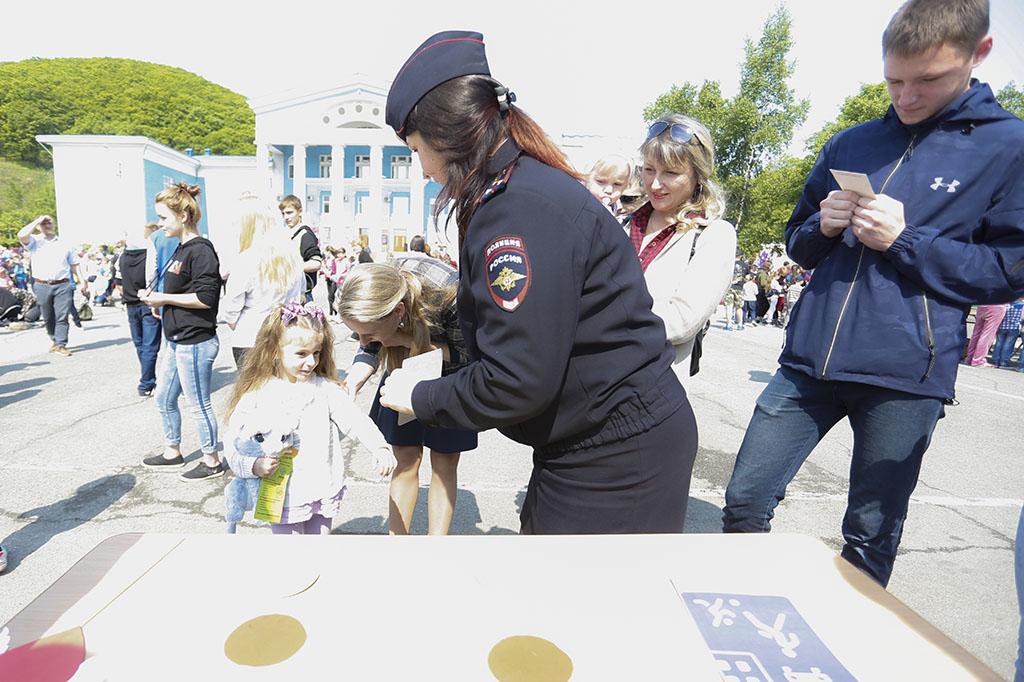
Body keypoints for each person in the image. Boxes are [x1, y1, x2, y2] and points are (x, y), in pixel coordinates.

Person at [722, 0, 1024, 587]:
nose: (905, 97)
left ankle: (853, 634)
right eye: (893, 80)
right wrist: (822, 225)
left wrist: (905, 241)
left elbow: (1009, 271)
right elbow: (797, 241)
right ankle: (746, 610)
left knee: (871, 531)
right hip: (809, 363)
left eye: (926, 80)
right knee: (745, 501)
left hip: (906, 375)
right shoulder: (853, 142)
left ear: (979, 53)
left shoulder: (1009, 147)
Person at [376, 30, 697, 534]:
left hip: (615, 452)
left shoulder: (518, 209)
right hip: (591, 436)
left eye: (417, 149)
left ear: (448, 134)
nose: (421, 171)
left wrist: (421, 396)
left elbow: (517, 378)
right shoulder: (517, 189)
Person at [222, 303, 396, 534]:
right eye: (301, 354)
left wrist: (379, 447)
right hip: (282, 494)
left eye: (316, 353)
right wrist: (251, 465)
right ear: (274, 351)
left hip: (322, 488)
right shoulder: (258, 394)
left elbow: (355, 420)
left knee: (318, 549)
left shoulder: (325, 389)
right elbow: (233, 439)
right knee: (290, 553)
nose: (312, 362)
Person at [338, 259, 476, 535]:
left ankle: (436, 544)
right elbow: (368, 347)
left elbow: (469, 355)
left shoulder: (450, 296)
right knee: (405, 457)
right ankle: (397, 543)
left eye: (368, 333)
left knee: (445, 460)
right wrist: (351, 384)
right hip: (403, 370)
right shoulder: (375, 291)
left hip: (449, 378)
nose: (362, 340)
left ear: (398, 311)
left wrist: (406, 340)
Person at [631, 115, 736, 381]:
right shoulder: (623, 222)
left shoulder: (713, 235)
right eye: (649, 169)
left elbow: (681, 321)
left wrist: (602, 317)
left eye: (670, 173)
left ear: (698, 176)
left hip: (651, 387)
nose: (655, 184)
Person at [139, 183, 227, 481]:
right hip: (177, 339)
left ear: (183, 216)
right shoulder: (181, 247)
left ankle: (212, 461)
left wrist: (162, 298)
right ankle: (172, 452)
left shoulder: (201, 250)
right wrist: (158, 300)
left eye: (164, 217)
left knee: (198, 404)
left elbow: (206, 298)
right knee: (164, 398)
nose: (160, 223)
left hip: (196, 341)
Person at [222, 197, 305, 368]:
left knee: (253, 385)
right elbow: (300, 296)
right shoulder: (293, 258)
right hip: (286, 337)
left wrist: (243, 326)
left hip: (249, 338)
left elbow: (230, 310)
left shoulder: (245, 260)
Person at [17, 215, 85, 356]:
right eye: (44, 223)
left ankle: (61, 343)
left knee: (62, 315)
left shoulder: (65, 243)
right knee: (48, 316)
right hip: (42, 284)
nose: (47, 225)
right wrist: (38, 220)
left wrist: (82, 280)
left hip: (63, 284)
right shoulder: (35, 241)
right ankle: (54, 339)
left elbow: (74, 264)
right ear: (38, 226)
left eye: (49, 222)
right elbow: (21, 235)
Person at [119, 223, 162, 397]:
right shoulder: (149, 256)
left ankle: (147, 378)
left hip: (130, 304)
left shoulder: (123, 257)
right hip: (147, 302)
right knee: (150, 345)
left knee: (140, 344)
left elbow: (119, 282)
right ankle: (146, 382)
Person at [279, 195, 322, 303]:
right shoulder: (288, 234)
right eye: (283, 214)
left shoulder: (305, 234)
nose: (286, 217)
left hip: (301, 295)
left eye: (289, 213)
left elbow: (316, 263)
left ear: (300, 211)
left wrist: (289, 268)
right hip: (289, 293)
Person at [992, 298, 1023, 367]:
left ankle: (995, 360)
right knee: (1008, 345)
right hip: (1014, 328)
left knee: (998, 344)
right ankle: (1004, 362)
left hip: (1002, 326)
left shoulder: (1006, 304)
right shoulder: (1021, 306)